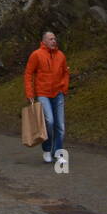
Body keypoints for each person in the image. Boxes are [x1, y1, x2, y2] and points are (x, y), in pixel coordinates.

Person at [24, 30, 70, 163]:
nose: (53, 41)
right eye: (50, 39)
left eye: (54, 39)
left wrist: (64, 88)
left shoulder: (61, 55)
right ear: (43, 41)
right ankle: (47, 149)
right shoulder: (36, 55)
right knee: (49, 121)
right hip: (43, 93)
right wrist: (30, 94)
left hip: (58, 93)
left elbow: (65, 72)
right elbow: (28, 74)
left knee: (60, 125)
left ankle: (58, 153)